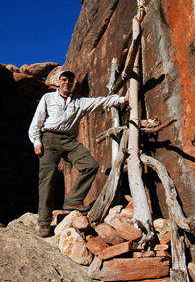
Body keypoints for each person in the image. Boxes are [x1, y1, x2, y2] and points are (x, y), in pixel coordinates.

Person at [28, 70, 129, 238]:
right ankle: (44, 223)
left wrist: (122, 99)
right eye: (64, 80)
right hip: (49, 139)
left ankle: (73, 200)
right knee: (47, 181)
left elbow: (100, 102)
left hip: (69, 140)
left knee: (90, 165)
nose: (67, 82)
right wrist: (36, 141)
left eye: (70, 81)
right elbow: (37, 120)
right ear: (59, 82)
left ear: (73, 84)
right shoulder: (48, 98)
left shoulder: (79, 101)